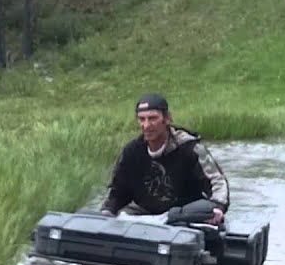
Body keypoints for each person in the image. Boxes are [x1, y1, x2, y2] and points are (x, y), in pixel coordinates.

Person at [98, 93, 229, 225]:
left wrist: (218, 206)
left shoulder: (190, 149)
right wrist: (107, 211)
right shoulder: (131, 152)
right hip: (144, 214)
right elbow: (117, 191)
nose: (146, 125)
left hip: (184, 215)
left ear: (166, 119)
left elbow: (217, 181)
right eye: (141, 119)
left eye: (152, 118)